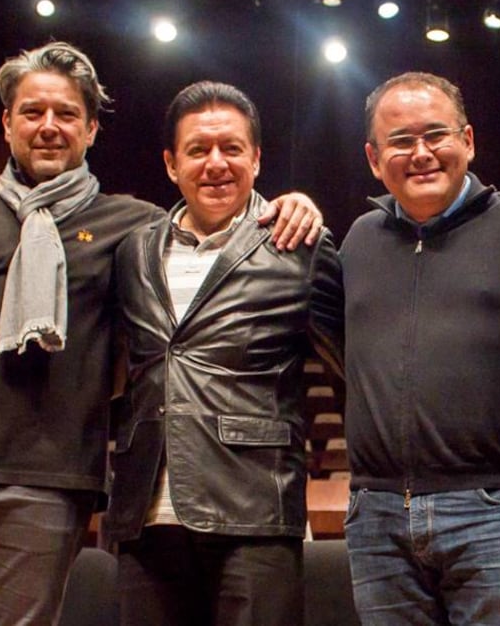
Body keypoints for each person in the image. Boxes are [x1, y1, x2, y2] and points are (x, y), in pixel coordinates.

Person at [0, 42, 321, 624]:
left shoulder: (133, 226)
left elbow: (221, 228)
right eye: (32, 112)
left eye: (68, 114)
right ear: (6, 123)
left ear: (93, 129)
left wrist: (290, 203)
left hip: (48, 488)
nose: (49, 126)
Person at [100, 80, 344, 626]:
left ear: (256, 158)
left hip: (255, 512)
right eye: (198, 150)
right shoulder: (134, 251)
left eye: (232, 148)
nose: (216, 163)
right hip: (145, 516)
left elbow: (353, 372)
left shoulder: (299, 245)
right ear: (170, 164)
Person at [340, 71, 500, 625]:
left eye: (435, 135)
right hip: (378, 516)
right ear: (372, 157)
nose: (421, 154)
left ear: (468, 140)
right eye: (401, 141)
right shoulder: (359, 241)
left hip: (497, 510)